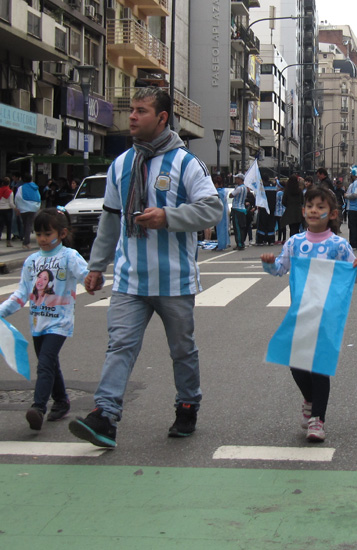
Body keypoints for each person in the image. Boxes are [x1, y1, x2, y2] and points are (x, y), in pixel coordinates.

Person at [70, 86, 222, 449]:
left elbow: (212, 209)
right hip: (129, 279)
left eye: (141, 111)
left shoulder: (187, 164)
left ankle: (187, 404)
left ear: (163, 118)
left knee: (182, 350)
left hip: (174, 280)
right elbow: (110, 218)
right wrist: (96, 266)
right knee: (120, 345)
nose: (132, 117)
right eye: (132, 110)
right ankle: (104, 416)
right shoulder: (121, 164)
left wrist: (168, 216)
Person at [260, 185, 357, 442]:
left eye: (320, 206)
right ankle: (309, 398)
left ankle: (318, 419)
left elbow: (354, 276)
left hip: (327, 314)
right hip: (302, 311)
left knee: (319, 366)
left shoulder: (339, 245)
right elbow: (280, 270)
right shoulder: (295, 242)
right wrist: (269, 262)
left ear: (332, 214)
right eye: (309, 206)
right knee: (296, 363)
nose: (313, 210)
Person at [0, 208, 89, 431]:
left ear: (62, 233)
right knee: (50, 363)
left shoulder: (69, 257)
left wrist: (92, 281)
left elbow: (87, 276)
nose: (43, 239)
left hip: (60, 323)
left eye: (47, 234)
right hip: (38, 323)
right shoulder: (32, 261)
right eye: (38, 234)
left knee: (45, 363)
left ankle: (38, 408)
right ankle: (62, 400)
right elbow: (21, 294)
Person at [14, 173, 42, 248]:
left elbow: (17, 198)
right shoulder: (35, 187)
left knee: (26, 224)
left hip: (24, 209)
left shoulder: (21, 188)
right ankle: (26, 242)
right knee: (28, 225)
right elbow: (38, 197)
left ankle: (26, 242)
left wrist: (18, 207)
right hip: (33, 208)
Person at [344, 166, 357, 249]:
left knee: (353, 227)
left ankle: (353, 243)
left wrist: (346, 195)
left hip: (354, 207)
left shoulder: (356, 183)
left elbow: (354, 195)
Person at [0, 177, 15, 248]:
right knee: (9, 226)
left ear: (2, 183)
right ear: (9, 183)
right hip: (8, 210)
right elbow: (11, 203)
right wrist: (16, 208)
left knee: (0, 225)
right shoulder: (10, 192)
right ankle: (8, 242)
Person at [229, 173, 248, 250]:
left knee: (237, 227)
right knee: (242, 227)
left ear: (240, 179)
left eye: (236, 178)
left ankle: (239, 244)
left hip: (237, 209)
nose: (235, 179)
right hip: (242, 208)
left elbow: (231, 195)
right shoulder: (245, 188)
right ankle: (241, 242)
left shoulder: (239, 188)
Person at [213, 175, 231, 251]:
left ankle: (221, 244)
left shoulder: (218, 192)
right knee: (225, 227)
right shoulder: (224, 191)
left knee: (220, 229)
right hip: (225, 210)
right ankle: (226, 243)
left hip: (220, 211)